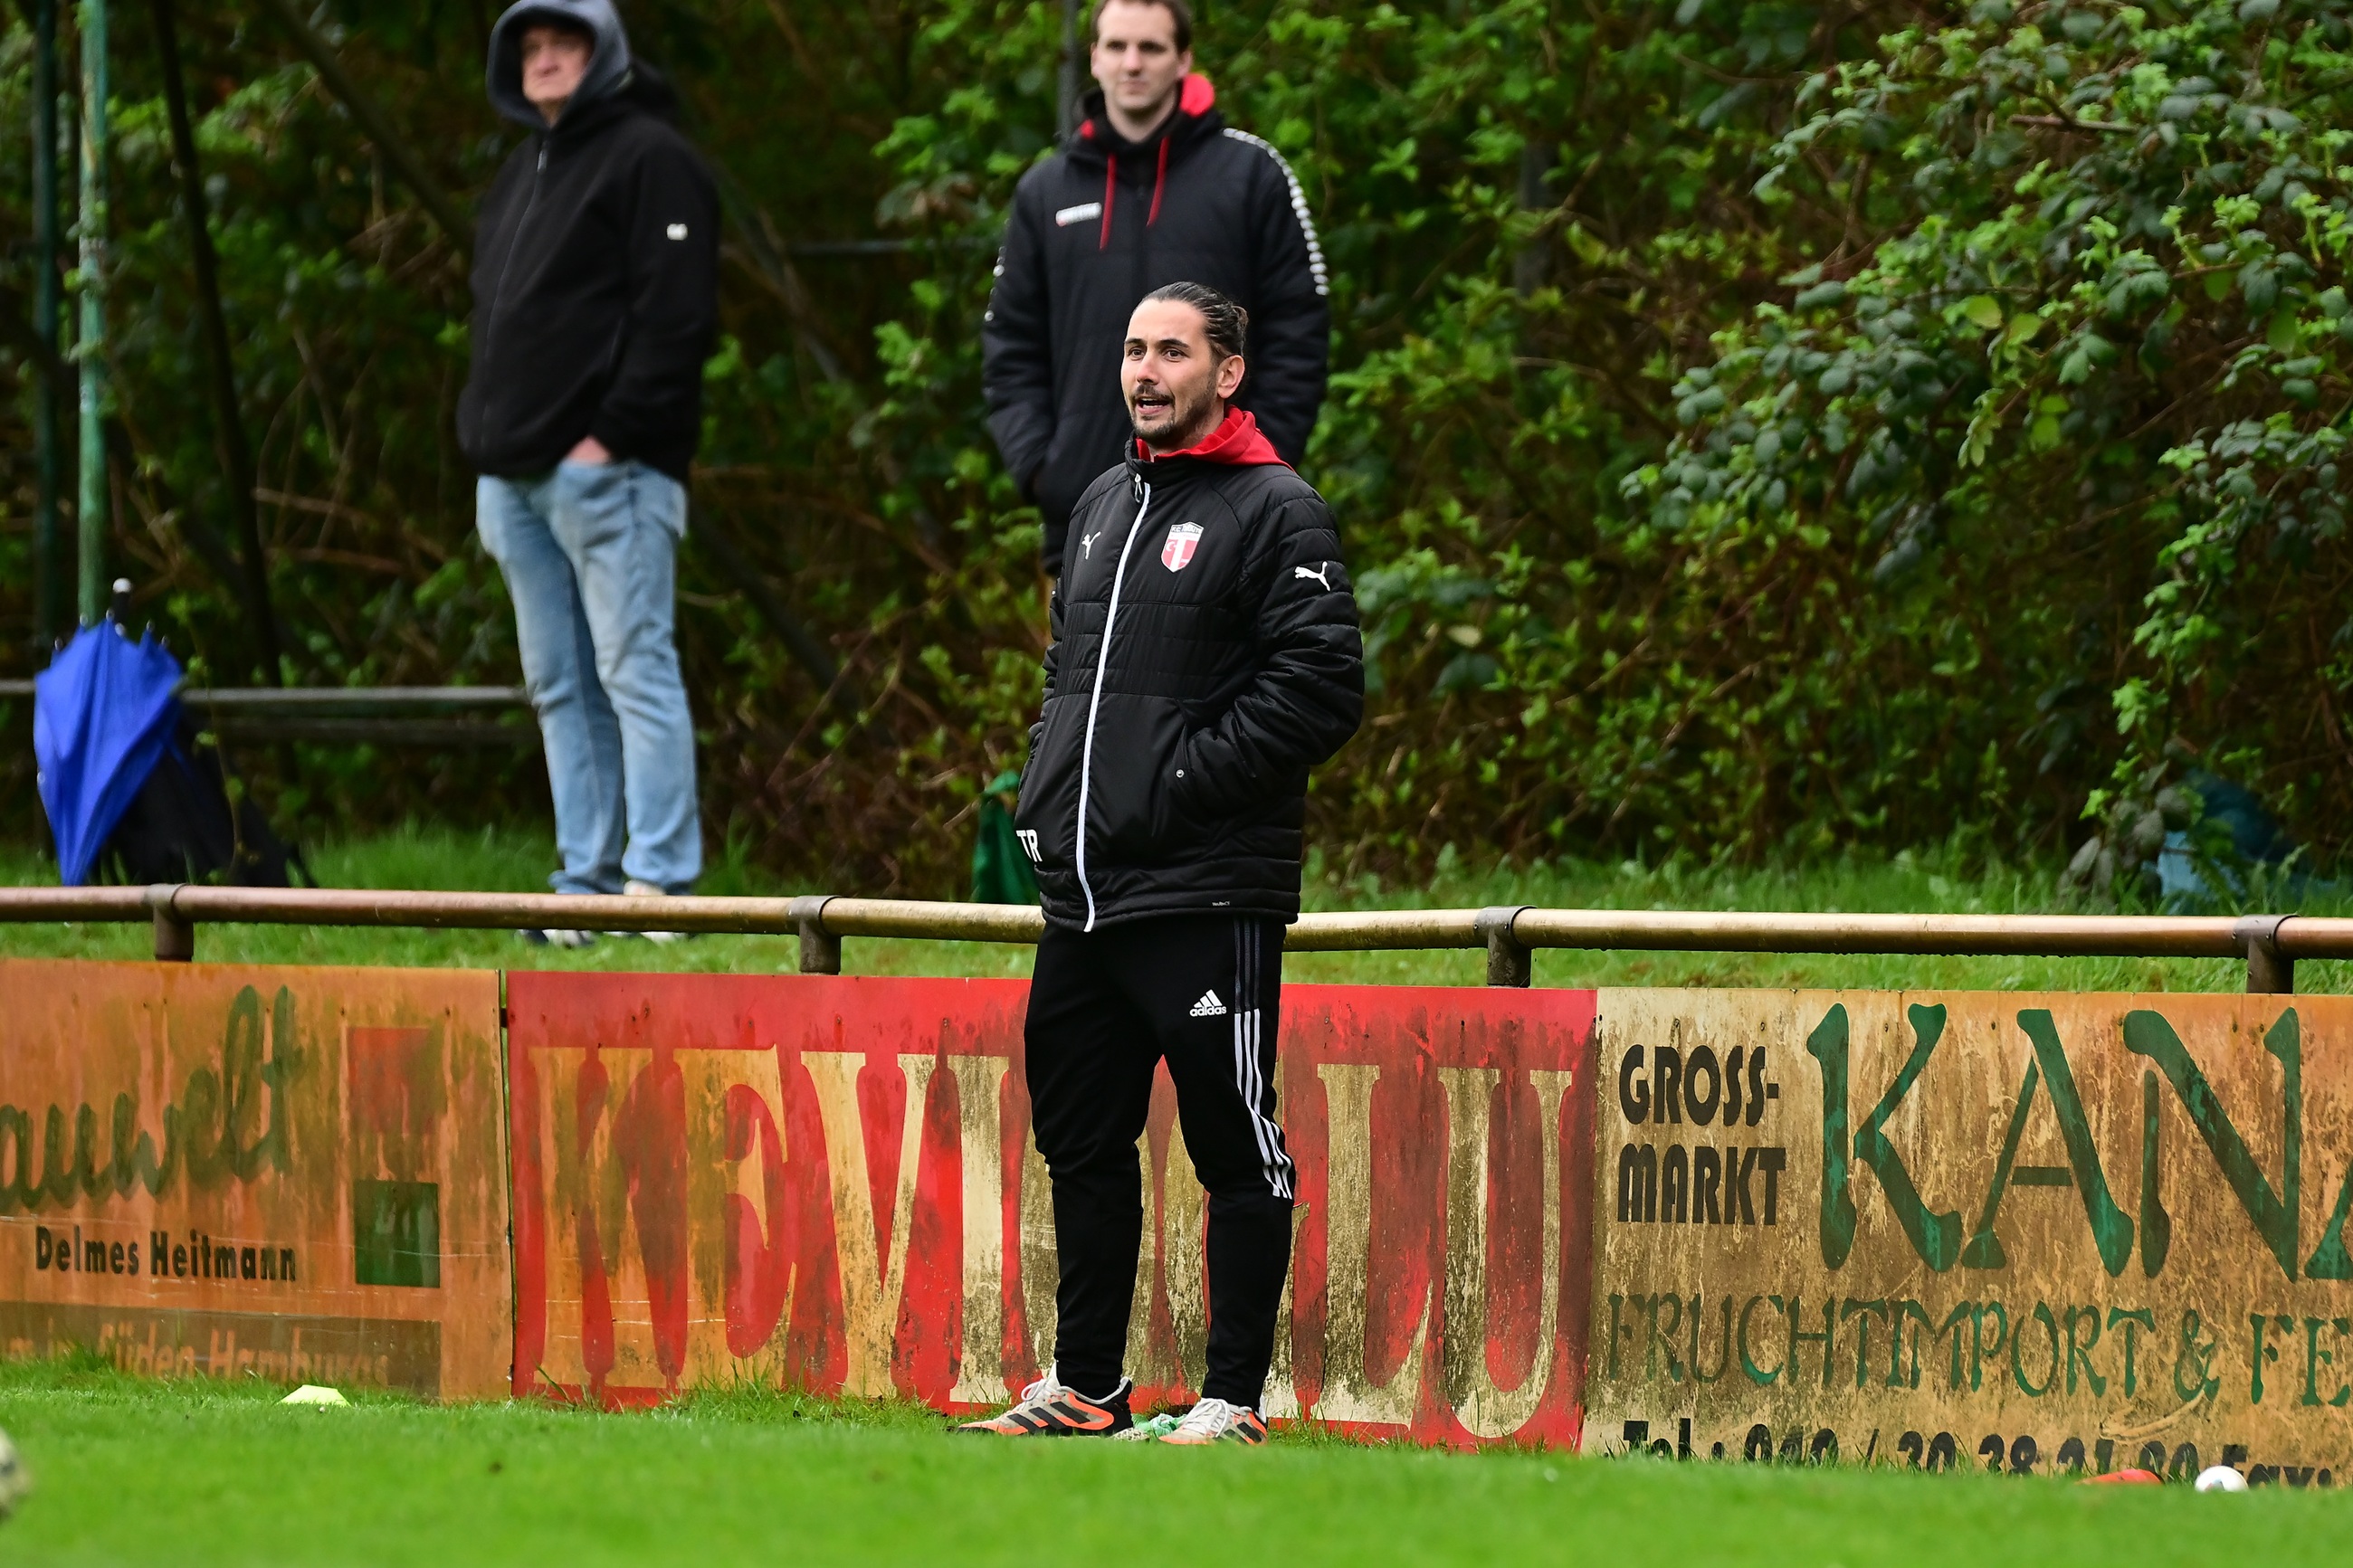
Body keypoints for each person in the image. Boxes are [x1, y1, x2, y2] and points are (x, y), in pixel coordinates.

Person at [958, 281, 1362, 1444]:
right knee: (1079, 1139)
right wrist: (1049, 795)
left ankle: (1234, 1401)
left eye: (1171, 351)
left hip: (1204, 888)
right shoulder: (1098, 501)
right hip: (1083, 896)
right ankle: (1084, 1386)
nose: (1143, 368)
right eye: (1132, 347)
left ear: (1226, 373)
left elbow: (1321, 689)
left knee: (1234, 1142)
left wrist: (1174, 783)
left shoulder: (1280, 511)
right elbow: (1065, 680)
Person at [459, 0, 718, 940]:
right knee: (560, 684)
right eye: (529, 45)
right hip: (513, 479)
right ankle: (586, 887)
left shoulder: (654, 158)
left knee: (632, 668)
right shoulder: (522, 169)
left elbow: (677, 316)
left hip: (609, 472)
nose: (544, 58)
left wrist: (606, 438)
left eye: (563, 40)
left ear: (602, 52)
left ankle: (659, 890)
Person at [983, 0, 1331, 578]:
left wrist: (1262, 465)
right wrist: (1045, 471)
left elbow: (1301, 327)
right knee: (1083, 673)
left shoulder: (1251, 176)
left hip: (1229, 512)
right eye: (1117, 47)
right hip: (1085, 518)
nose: (1133, 63)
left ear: (1184, 59)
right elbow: (1009, 345)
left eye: (1151, 47)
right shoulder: (1044, 192)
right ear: (1093, 58)